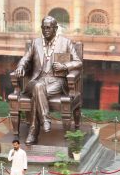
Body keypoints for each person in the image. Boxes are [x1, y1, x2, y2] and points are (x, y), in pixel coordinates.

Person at [13, 15, 82, 145]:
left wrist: (64, 66)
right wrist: (21, 66)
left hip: (56, 81)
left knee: (37, 92)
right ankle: (45, 119)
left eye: (48, 27)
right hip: (36, 80)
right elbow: (25, 59)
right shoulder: (36, 43)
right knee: (38, 87)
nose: (46, 30)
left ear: (55, 28)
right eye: (43, 28)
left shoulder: (65, 42)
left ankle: (33, 132)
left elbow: (78, 62)